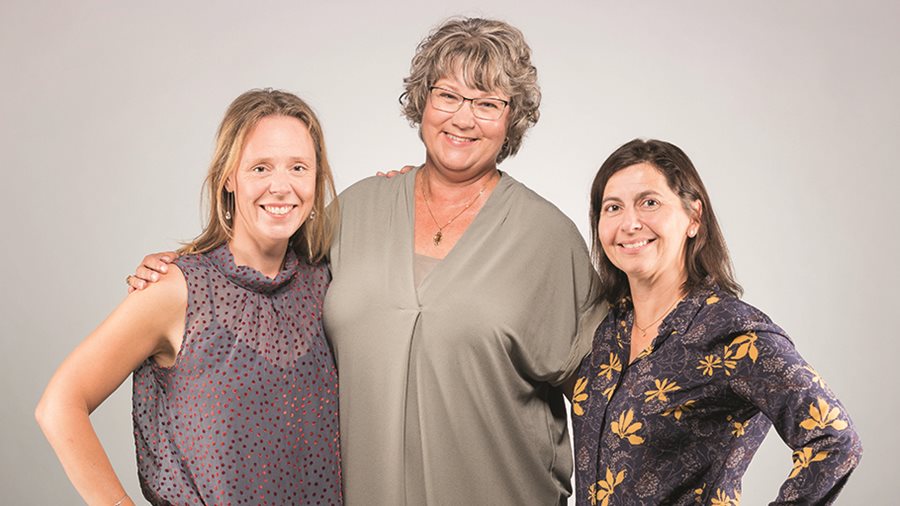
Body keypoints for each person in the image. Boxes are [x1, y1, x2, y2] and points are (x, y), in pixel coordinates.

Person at [130, 18, 607, 505]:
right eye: (448, 96)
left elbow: (608, 395)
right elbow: (259, 271)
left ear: (512, 119)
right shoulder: (356, 212)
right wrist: (187, 269)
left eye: (487, 104)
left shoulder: (547, 238)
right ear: (422, 101)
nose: (463, 119)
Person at [36, 89, 342, 505]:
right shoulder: (177, 288)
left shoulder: (327, 283)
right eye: (260, 167)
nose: (281, 186)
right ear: (228, 177)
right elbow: (59, 405)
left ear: (317, 178)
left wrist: (404, 183)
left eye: (299, 167)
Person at [572, 139, 862, 505]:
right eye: (613, 207)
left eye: (649, 203)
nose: (630, 223)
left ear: (693, 217)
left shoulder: (729, 330)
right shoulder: (607, 330)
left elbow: (836, 441)